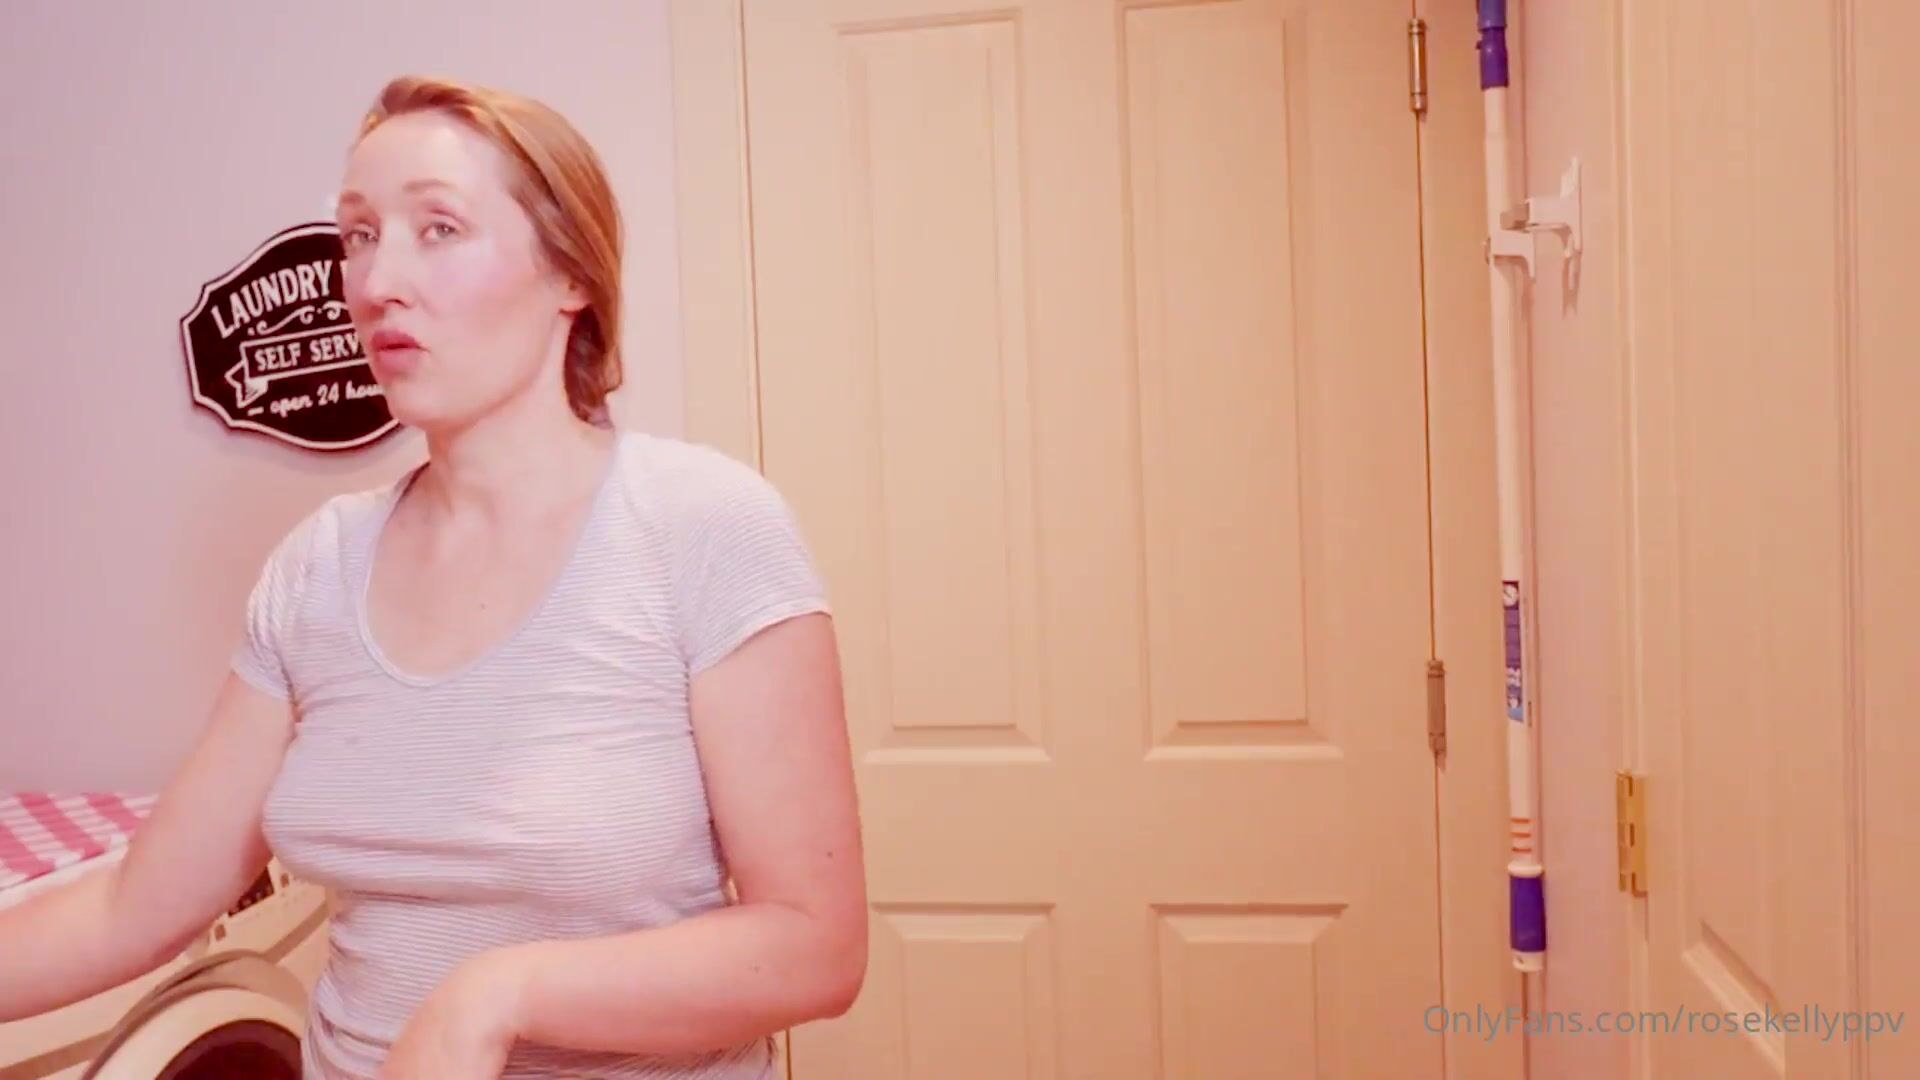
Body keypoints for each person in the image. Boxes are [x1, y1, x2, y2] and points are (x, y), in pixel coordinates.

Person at [0, 75, 867, 1078]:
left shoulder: (703, 528)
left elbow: (813, 943)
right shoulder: (319, 567)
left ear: (569, 274)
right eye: (359, 236)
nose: (376, 281)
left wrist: (498, 996)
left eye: (439, 229)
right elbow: (134, 905)